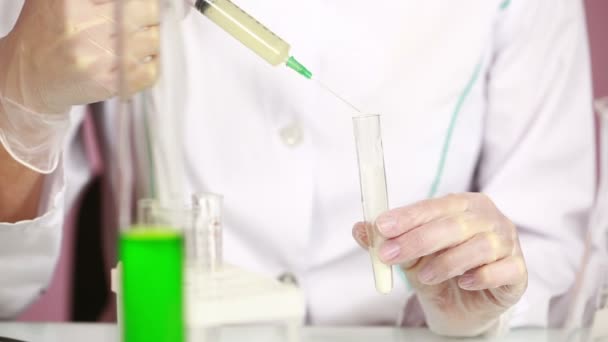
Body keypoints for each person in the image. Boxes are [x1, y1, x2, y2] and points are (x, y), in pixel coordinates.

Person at [0, 0, 596, 336]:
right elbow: (6, 283)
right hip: (165, 330)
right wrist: (19, 91)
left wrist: (475, 305)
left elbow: (544, 255)